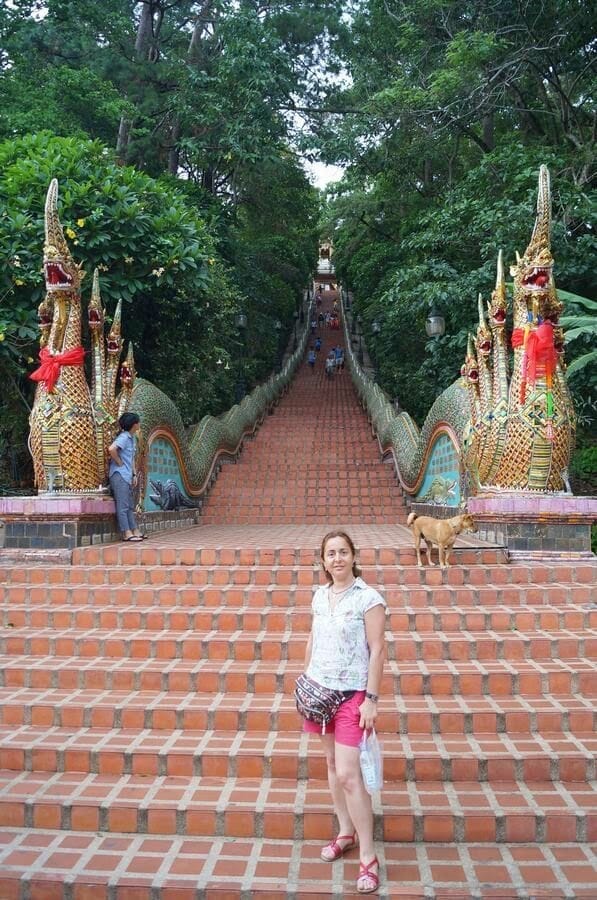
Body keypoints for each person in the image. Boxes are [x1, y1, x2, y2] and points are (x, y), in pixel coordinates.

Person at [302, 530, 386, 894]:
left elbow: (378, 649)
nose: (336, 558)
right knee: (333, 768)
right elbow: (313, 638)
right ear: (322, 561)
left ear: (353, 556)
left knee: (351, 775)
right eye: (330, 553)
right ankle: (345, 833)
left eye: (342, 552)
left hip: (352, 695)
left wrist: (371, 699)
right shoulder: (319, 596)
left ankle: (368, 856)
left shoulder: (369, 599)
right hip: (319, 695)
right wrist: (305, 678)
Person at [108, 412, 143, 542]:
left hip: (127, 475)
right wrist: (119, 463)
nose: (139, 424)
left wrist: (133, 474)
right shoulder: (123, 437)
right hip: (119, 475)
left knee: (129, 505)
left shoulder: (131, 438)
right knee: (123, 505)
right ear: (134, 425)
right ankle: (126, 532)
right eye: (138, 422)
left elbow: (131, 458)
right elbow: (112, 449)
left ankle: (134, 529)